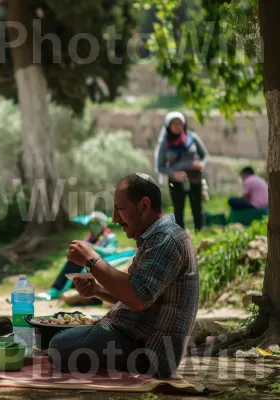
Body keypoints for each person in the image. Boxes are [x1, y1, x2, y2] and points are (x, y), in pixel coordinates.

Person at [48, 173, 199, 378]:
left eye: (120, 209)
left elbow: (137, 298)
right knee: (56, 340)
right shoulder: (155, 238)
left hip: (146, 354)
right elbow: (138, 296)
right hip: (130, 339)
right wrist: (98, 290)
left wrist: (91, 260)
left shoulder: (167, 239)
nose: (114, 218)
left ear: (144, 205)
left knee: (58, 346)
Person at [36, 212, 119, 301]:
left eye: (95, 224)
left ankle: (57, 291)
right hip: (87, 264)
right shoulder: (89, 238)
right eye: (90, 225)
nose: (91, 227)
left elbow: (110, 252)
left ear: (102, 226)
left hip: (102, 264)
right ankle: (54, 290)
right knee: (72, 261)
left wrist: (91, 248)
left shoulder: (110, 237)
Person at [154, 111, 209, 231]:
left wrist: (201, 164)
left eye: (180, 123)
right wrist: (174, 174)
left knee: (197, 206)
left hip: (194, 177)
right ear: (168, 126)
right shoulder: (165, 144)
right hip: (176, 180)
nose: (178, 127)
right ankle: (181, 238)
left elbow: (204, 156)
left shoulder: (192, 138)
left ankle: (199, 231)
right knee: (178, 209)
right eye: (175, 124)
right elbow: (160, 166)